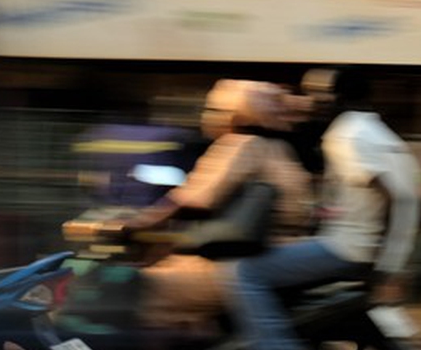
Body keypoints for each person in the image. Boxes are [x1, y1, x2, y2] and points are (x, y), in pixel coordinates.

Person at [227, 67, 421, 350]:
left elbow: (391, 196)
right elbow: (407, 203)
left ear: (338, 99)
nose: (311, 103)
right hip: (357, 246)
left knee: (247, 272)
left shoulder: (345, 135)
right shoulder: (385, 136)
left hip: (346, 248)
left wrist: (383, 266)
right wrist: (391, 259)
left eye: (318, 96)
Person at [120, 79, 314, 334]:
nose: (208, 117)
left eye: (216, 110)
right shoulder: (282, 149)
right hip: (282, 256)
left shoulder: (240, 144)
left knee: (139, 296)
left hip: (237, 262)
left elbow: (194, 198)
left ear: (238, 113)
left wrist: (131, 226)